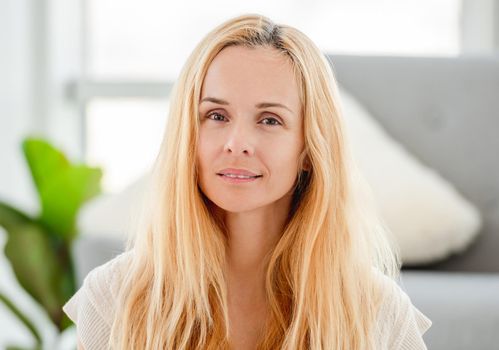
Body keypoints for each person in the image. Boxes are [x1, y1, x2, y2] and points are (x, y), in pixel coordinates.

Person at [63, 13, 432, 350]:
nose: (236, 144)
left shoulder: (378, 311)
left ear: (309, 150)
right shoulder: (114, 297)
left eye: (270, 120)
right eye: (216, 115)